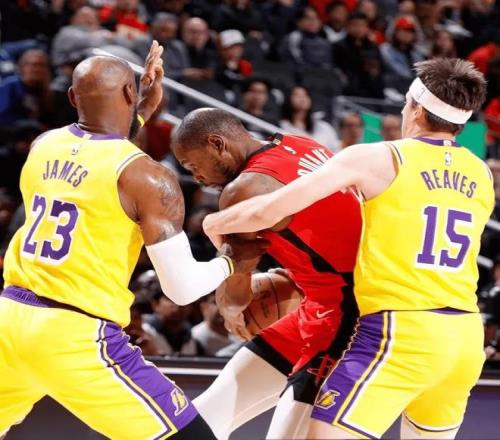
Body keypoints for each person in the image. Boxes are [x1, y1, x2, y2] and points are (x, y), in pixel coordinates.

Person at [202, 58, 494, 439]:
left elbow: (268, 209)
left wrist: (215, 223)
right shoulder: (482, 173)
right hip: (466, 336)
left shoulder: (377, 157)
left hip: (400, 328)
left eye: (406, 105)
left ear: (417, 109)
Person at [0, 41, 263, 439]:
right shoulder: (149, 177)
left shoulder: (42, 146)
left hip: (10, 319)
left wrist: (139, 112)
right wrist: (231, 260)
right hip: (75, 332)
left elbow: (96, 150)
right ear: (129, 91)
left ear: (72, 97)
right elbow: (181, 289)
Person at [172, 108, 361, 439]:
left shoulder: (243, 190)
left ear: (217, 144)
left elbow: (234, 302)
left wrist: (231, 311)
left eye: (192, 165)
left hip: (351, 318)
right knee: (205, 417)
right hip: (320, 304)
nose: (196, 177)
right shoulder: (300, 144)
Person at [280, 86, 340, 152]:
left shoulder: (323, 126)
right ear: (289, 99)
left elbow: (335, 148)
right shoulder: (282, 125)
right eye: (297, 95)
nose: (302, 98)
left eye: (305, 95)